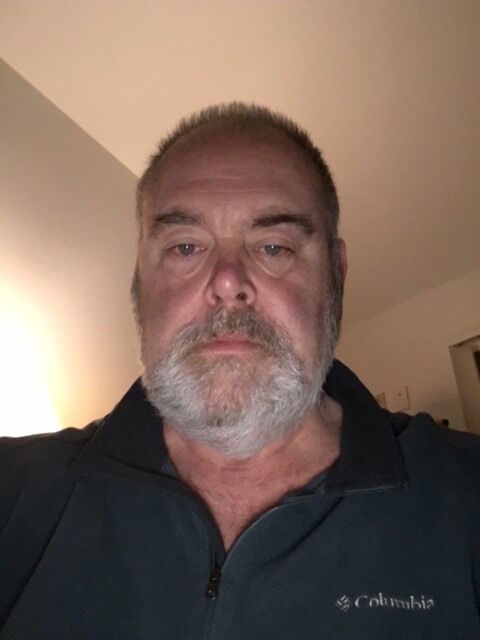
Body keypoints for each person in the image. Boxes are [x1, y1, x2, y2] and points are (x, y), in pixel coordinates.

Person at [0, 103, 479, 640]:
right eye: (186, 247)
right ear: (139, 282)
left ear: (336, 276)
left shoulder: (467, 499)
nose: (227, 282)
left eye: (273, 247)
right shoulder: (14, 492)